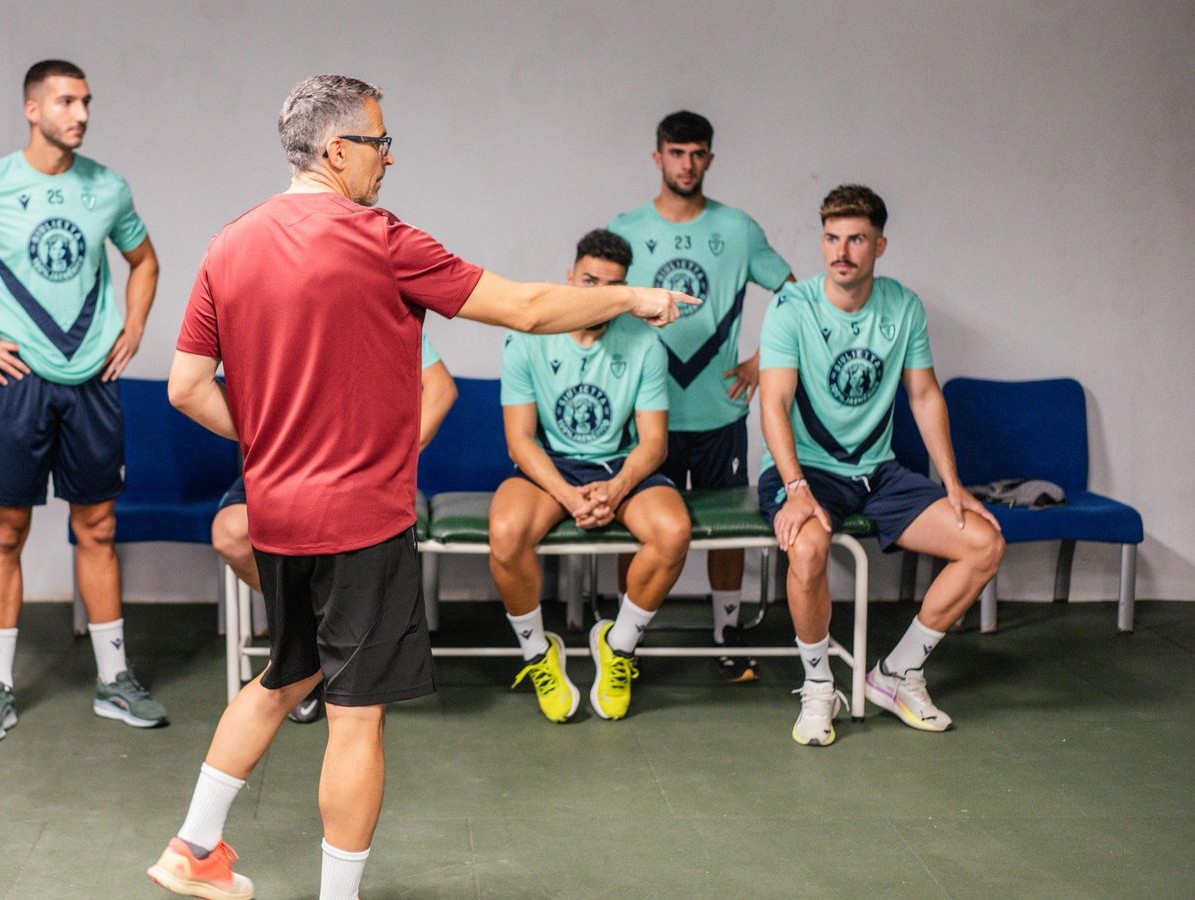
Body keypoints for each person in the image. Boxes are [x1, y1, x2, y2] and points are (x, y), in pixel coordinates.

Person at [147, 74, 695, 900]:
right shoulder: (378, 238)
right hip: (360, 520)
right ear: (337, 152)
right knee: (357, 717)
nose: (388, 155)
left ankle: (192, 847)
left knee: (283, 676)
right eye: (378, 140)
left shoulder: (229, 243)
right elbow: (524, 307)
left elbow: (188, 387)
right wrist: (634, 295)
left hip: (277, 513)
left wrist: (268, 440)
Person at [0, 60, 166, 742]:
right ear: (32, 108)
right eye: (66, 102)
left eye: (85, 102)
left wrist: (133, 326)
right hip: (20, 382)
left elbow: (144, 261)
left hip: (93, 384)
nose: (80, 114)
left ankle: (113, 680)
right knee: (8, 532)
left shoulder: (107, 188)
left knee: (98, 528)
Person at [757, 185, 1004, 747]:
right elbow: (772, 401)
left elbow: (923, 395)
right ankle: (820, 684)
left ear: (879, 245)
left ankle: (895, 675)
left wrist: (952, 483)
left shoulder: (902, 306)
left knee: (984, 543)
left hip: (878, 472)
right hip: (808, 471)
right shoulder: (792, 308)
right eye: (831, 238)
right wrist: (795, 487)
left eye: (856, 239)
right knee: (809, 548)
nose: (841, 251)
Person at [608, 111, 795, 682]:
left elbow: (796, 296)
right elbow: (603, 305)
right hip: (646, 411)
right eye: (676, 152)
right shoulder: (627, 228)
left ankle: (727, 630)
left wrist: (767, 361)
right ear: (656, 157)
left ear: (709, 159)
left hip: (717, 409)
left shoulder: (738, 229)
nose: (686, 164)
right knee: (633, 524)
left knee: (727, 527)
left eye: (697, 153)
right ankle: (624, 641)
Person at [490, 229, 692, 723]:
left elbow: (653, 443)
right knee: (505, 532)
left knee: (673, 532)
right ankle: (540, 654)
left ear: (626, 290)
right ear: (569, 278)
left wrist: (617, 486)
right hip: (550, 466)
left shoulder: (644, 342)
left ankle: (618, 645)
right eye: (588, 281)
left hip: (617, 465)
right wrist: (568, 494)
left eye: (612, 285)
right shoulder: (526, 338)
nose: (598, 294)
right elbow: (520, 440)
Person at [210, 333, 457, 724]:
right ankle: (309, 651)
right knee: (231, 533)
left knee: (352, 551)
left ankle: (321, 660)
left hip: (354, 473)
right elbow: (195, 389)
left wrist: (396, 454)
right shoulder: (269, 307)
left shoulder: (379, 313)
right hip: (281, 468)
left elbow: (441, 388)